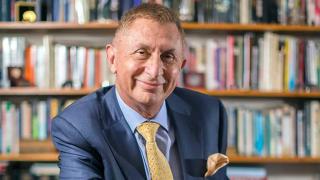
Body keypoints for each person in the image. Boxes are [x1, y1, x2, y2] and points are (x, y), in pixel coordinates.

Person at [51, 3, 228, 180]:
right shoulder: (79, 126)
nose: (155, 70)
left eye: (168, 56)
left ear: (181, 65)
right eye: (141, 52)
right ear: (113, 59)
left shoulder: (209, 113)